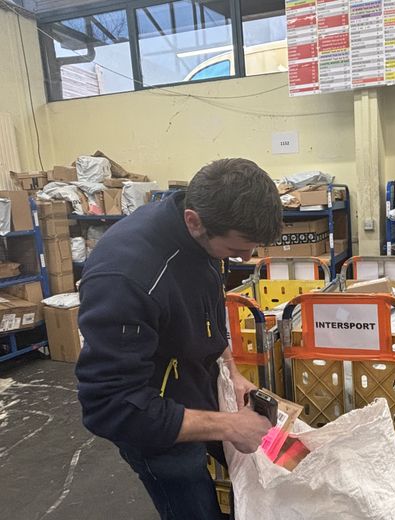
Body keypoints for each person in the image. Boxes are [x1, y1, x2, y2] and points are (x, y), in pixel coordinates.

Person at [75, 158, 283, 519]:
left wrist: (231, 371)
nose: (247, 258)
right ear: (194, 222)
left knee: (265, 466)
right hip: (152, 420)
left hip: (194, 387)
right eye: (237, 250)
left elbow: (207, 306)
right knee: (191, 502)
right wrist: (229, 425)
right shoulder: (125, 278)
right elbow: (110, 406)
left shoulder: (202, 230)